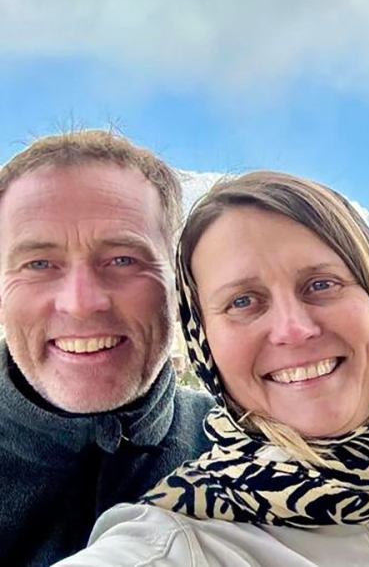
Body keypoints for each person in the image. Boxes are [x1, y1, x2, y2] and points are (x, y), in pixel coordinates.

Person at [57, 171, 369, 566]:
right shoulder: (178, 544)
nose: (294, 330)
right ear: (204, 341)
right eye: (243, 301)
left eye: (321, 284)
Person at [0, 130, 214, 566]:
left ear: (179, 285)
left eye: (123, 259)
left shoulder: (254, 451)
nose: (80, 303)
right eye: (39, 263)